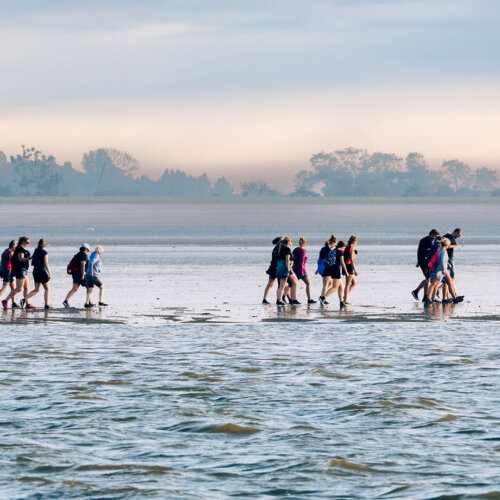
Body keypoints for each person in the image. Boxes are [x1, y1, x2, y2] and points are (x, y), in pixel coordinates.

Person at [427, 238, 463, 304]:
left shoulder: (439, 250)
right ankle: (428, 298)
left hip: (439, 270)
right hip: (442, 270)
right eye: (449, 244)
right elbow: (442, 261)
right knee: (436, 284)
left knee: (447, 283)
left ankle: (455, 297)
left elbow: (442, 260)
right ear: (447, 244)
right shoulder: (444, 251)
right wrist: (443, 269)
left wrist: (448, 264)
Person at [2, 236, 33, 309]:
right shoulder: (19, 249)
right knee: (19, 288)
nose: (28, 244)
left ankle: (27, 304)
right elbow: (21, 259)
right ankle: (5, 300)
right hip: (20, 270)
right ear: (23, 242)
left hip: (24, 270)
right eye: (27, 242)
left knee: (26, 287)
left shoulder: (20, 249)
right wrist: (30, 258)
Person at [411, 228, 440, 302]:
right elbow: (429, 254)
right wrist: (426, 264)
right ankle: (425, 296)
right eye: (435, 236)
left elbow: (419, 250)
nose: (435, 238)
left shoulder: (423, 239)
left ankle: (417, 292)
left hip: (422, 261)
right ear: (431, 234)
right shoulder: (429, 241)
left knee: (428, 278)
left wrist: (418, 261)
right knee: (428, 279)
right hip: (425, 262)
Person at [25, 239, 51, 309]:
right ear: (44, 244)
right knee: (47, 288)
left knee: (37, 289)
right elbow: (46, 263)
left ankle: (24, 299)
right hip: (42, 271)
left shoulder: (36, 250)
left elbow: (31, 258)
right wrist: (49, 273)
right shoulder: (44, 252)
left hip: (35, 271)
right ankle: (46, 305)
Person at [323, 241, 349, 308]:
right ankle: (323, 297)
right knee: (335, 287)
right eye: (344, 247)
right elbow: (343, 263)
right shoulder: (340, 252)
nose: (344, 249)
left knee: (340, 286)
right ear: (342, 246)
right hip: (336, 270)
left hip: (331, 269)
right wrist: (346, 272)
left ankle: (341, 302)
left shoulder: (334, 250)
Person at [63, 243, 91, 307]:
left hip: (75, 274)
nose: (87, 251)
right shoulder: (84, 255)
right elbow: (83, 265)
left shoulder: (78, 254)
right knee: (89, 288)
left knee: (74, 288)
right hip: (80, 274)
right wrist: (83, 275)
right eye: (87, 250)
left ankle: (66, 300)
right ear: (86, 249)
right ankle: (88, 302)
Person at [275, 237, 299, 305]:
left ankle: (279, 300)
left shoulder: (280, 248)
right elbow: (287, 260)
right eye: (291, 241)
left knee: (281, 285)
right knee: (295, 282)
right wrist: (288, 270)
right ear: (288, 242)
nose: (292, 242)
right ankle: (294, 299)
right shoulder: (287, 249)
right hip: (286, 267)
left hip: (280, 267)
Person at [292, 237, 316, 304]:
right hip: (301, 270)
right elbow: (301, 262)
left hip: (294, 269)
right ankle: (309, 299)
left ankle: (290, 298)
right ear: (305, 243)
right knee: (308, 283)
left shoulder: (295, 250)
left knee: (293, 284)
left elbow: (293, 259)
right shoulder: (302, 251)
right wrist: (301, 271)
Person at [442, 228, 462, 300]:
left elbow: (445, 247)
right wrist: (455, 245)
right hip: (448, 259)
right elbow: (447, 246)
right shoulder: (451, 237)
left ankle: (449, 295)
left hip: (447, 257)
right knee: (451, 278)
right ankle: (451, 295)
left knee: (448, 279)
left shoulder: (446, 236)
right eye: (459, 235)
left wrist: (452, 253)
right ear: (456, 232)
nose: (459, 237)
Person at [317, 235, 337, 305]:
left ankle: (323, 297)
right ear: (332, 243)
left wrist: (318, 269)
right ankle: (322, 298)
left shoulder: (323, 248)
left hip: (322, 267)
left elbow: (320, 259)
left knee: (328, 284)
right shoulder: (328, 250)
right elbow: (329, 260)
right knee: (326, 284)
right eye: (335, 244)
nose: (335, 246)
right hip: (326, 268)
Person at [262, 237, 282, 304]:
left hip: (273, 268)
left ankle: (265, 299)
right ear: (279, 241)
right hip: (276, 268)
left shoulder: (276, 248)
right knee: (279, 285)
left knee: (271, 284)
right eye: (282, 240)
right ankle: (278, 299)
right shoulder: (278, 249)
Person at [0, 240, 19, 307]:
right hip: (7, 271)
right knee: (4, 288)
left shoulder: (5, 250)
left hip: (6, 271)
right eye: (16, 247)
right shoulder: (10, 253)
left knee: (13, 288)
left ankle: (13, 303)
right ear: (14, 246)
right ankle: (11, 303)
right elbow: (13, 263)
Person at [343, 236, 358, 304]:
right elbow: (352, 260)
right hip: (349, 266)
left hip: (346, 266)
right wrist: (355, 270)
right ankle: (345, 300)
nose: (355, 244)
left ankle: (345, 296)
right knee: (348, 284)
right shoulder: (351, 248)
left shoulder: (346, 247)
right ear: (353, 242)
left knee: (354, 283)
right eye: (355, 243)